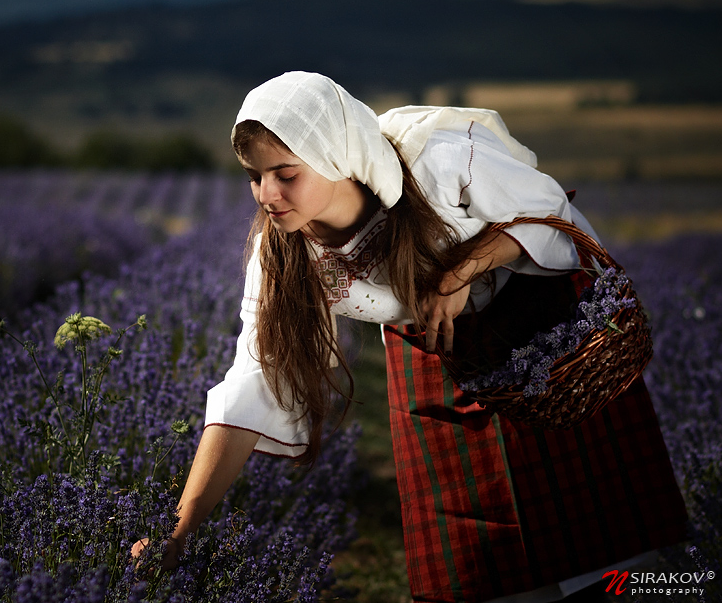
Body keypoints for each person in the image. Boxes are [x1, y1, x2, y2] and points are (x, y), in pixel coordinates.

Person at [132, 72, 687, 602]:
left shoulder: (434, 163)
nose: (266, 193)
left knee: (599, 542)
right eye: (254, 176)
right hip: (440, 360)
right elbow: (255, 381)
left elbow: (550, 214)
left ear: (334, 157)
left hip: (544, 332)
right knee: (478, 570)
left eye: (285, 173)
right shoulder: (281, 256)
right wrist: (177, 533)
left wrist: (464, 268)